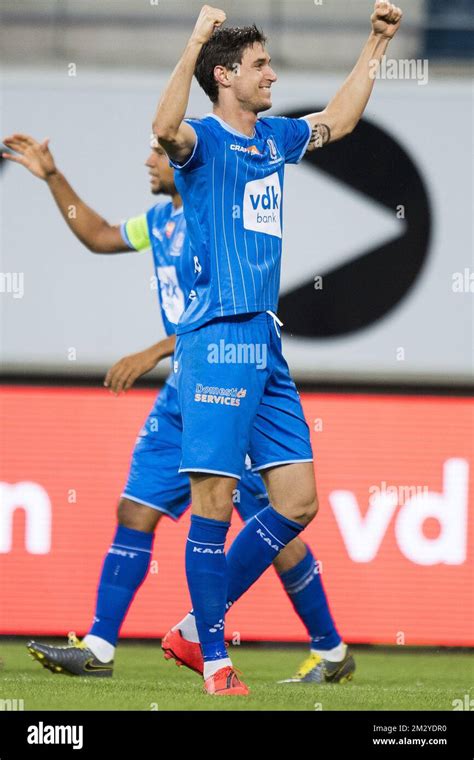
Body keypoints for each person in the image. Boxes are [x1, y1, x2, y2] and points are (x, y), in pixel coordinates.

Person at [2, 133, 354, 685]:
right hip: (180, 394)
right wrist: (52, 175)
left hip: (224, 383)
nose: (147, 159)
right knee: (135, 510)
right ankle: (99, 646)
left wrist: (153, 350)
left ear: (185, 163)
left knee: (274, 521)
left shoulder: (211, 223)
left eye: (157, 154)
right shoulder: (160, 221)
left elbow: (219, 313)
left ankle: (330, 648)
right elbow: (98, 235)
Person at [153, 2, 402, 694]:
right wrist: (194, 40)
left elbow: (340, 120)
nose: (272, 72)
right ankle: (215, 660)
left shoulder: (273, 138)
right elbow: (163, 127)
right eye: (259, 64)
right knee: (212, 501)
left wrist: (377, 44)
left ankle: (187, 627)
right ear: (225, 75)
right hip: (217, 337)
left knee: (297, 500)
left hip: (265, 338)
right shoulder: (201, 141)